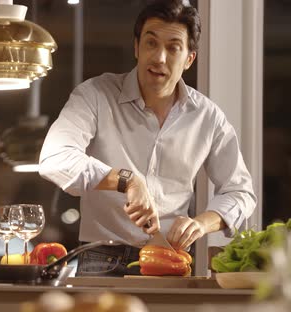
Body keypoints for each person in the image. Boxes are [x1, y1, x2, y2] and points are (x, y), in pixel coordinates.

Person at [39, 0, 257, 276]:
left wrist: (202, 223)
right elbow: (53, 159)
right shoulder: (95, 94)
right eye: (151, 43)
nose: (159, 58)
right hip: (101, 258)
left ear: (189, 58)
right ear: (136, 48)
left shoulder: (208, 117)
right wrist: (126, 180)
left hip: (171, 258)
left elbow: (240, 192)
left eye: (173, 47)